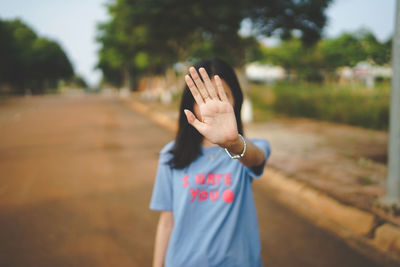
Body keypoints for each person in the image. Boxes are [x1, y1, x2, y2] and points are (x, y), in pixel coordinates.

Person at [150, 58, 271, 267]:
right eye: (204, 98)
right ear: (190, 104)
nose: (213, 106)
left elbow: (256, 157)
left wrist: (233, 144)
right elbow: (167, 221)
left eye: (222, 96)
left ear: (236, 101)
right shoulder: (170, 155)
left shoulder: (246, 149)